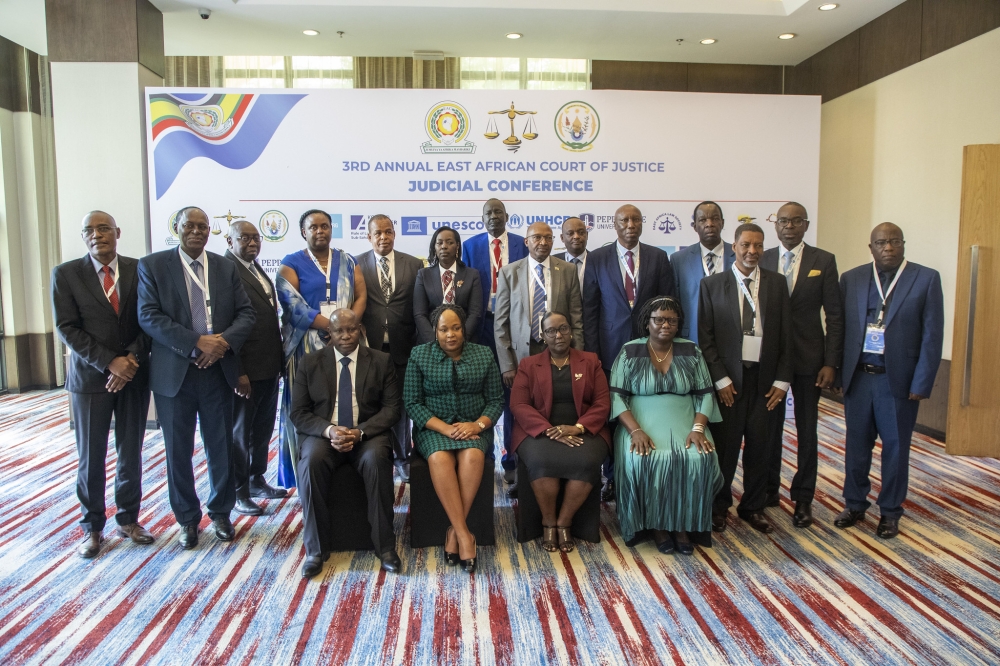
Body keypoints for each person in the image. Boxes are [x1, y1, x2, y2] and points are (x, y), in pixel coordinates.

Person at [137, 207, 255, 549]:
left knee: (220, 446)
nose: (197, 231)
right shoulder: (153, 266)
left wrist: (221, 343)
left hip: (218, 372)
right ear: (177, 228)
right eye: (190, 225)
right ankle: (187, 519)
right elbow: (148, 316)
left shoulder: (224, 266)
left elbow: (246, 313)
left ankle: (220, 512)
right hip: (175, 375)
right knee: (178, 450)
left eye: (203, 226)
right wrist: (195, 343)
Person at [52, 211, 153, 559]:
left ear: (117, 232)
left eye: (104, 228)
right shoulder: (65, 274)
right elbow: (67, 327)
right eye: (89, 230)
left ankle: (128, 519)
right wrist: (110, 362)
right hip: (91, 380)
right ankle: (92, 526)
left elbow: (149, 319)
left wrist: (131, 360)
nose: (97, 235)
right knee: (91, 457)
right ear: (84, 237)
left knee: (130, 452)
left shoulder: (141, 269)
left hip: (134, 375)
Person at [834, 223, 943, 539]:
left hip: (898, 383)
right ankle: (854, 504)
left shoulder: (926, 279)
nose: (888, 247)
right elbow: (841, 331)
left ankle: (890, 512)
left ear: (904, 244)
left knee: (896, 449)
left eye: (895, 241)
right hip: (859, 379)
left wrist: (921, 382)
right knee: (856, 448)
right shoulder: (851, 279)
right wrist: (839, 373)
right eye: (881, 242)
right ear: (871, 247)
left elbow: (932, 335)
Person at [291, 309, 402, 577]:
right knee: (311, 463)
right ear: (329, 332)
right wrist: (329, 431)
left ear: (361, 329)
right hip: (325, 436)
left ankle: (385, 547)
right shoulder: (310, 363)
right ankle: (316, 550)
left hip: (366, 436)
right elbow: (299, 413)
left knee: (377, 460)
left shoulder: (380, 361)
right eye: (339, 331)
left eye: (351, 329)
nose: (345, 336)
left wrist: (359, 432)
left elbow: (391, 410)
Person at [609, 297, 723, 554]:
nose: (665, 325)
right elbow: (616, 396)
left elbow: (705, 394)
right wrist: (635, 431)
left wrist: (697, 429)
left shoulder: (691, 350)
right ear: (646, 323)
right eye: (658, 319)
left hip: (685, 420)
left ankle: (682, 525)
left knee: (699, 458)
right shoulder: (629, 351)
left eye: (671, 320)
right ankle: (657, 525)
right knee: (642, 459)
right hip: (639, 421)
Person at [698, 222, 791, 535]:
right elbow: (706, 338)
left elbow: (787, 336)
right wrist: (720, 379)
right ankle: (719, 506)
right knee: (725, 449)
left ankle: (753, 507)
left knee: (761, 448)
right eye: (746, 245)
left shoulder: (777, 284)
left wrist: (782, 381)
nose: (753, 252)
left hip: (765, 383)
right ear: (734, 247)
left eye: (758, 246)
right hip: (730, 385)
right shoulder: (712, 285)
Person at [582, 203, 675, 500]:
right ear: (615, 224)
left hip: (651, 349)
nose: (630, 224)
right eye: (624, 220)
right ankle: (612, 476)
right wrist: (594, 355)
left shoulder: (659, 257)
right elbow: (591, 309)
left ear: (642, 224)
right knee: (612, 415)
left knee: (646, 410)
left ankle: (648, 468)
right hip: (611, 351)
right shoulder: (597, 258)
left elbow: (668, 305)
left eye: (636, 219)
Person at [760, 202, 844, 528]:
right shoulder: (763, 258)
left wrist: (831, 362)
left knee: (807, 431)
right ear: (776, 225)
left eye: (796, 221)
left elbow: (834, 317)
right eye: (784, 221)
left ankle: (803, 499)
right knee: (769, 429)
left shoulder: (823, 261)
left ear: (806, 225)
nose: (790, 226)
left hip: (811, 360)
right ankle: (768, 491)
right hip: (772, 359)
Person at [404, 304, 504, 573]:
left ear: (464, 329)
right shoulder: (419, 355)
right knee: (439, 458)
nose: (451, 334)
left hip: (474, 428)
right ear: (435, 332)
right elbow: (412, 403)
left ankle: (453, 533)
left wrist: (477, 424)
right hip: (434, 430)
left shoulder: (483, 354)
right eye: (444, 329)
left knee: (473, 456)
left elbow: (496, 400)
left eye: (456, 328)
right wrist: (445, 429)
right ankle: (463, 535)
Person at [276, 209, 367, 488]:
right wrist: (334, 328)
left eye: (325, 226)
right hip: (308, 344)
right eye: (313, 227)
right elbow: (293, 305)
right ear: (304, 232)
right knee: (309, 403)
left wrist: (345, 329)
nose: (320, 231)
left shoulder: (348, 260)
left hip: (348, 342)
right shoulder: (290, 263)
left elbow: (361, 295)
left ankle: (349, 450)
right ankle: (302, 467)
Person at [494, 221, 583, 498]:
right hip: (523, 358)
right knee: (519, 415)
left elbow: (576, 319)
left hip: (559, 354)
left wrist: (578, 359)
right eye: (536, 238)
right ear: (526, 241)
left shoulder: (567, 270)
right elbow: (501, 324)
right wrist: (507, 364)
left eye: (547, 238)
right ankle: (520, 474)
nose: (542, 242)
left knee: (555, 410)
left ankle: (555, 471)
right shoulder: (510, 272)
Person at [509, 312, 610, 553]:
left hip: (584, 430)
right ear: (543, 336)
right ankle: (547, 522)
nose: (558, 335)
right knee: (541, 460)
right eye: (551, 331)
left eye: (563, 328)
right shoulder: (528, 365)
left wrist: (578, 427)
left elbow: (602, 402)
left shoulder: (590, 361)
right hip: (540, 431)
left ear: (571, 331)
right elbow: (519, 405)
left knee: (586, 461)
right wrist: (548, 430)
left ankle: (564, 522)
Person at [224, 221, 287, 516]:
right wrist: (238, 371)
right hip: (245, 371)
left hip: (268, 367)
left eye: (255, 238)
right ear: (230, 240)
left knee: (262, 428)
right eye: (244, 238)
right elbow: (228, 327)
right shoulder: (225, 271)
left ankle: (256, 478)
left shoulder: (256, 268)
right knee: (240, 432)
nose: (252, 243)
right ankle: (238, 491)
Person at [463, 199, 527, 479]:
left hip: (514, 328)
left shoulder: (521, 244)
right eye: (488, 213)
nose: (493, 217)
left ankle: (511, 458)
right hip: (481, 327)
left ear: (507, 216)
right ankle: (483, 453)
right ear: (482, 218)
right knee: (483, 392)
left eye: (498, 212)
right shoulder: (470, 246)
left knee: (514, 392)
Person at [357, 214, 423, 482]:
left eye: (388, 232)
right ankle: (377, 456)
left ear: (395, 234)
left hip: (403, 347)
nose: (383, 237)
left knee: (404, 407)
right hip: (368, 349)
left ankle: (403, 457)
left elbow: (418, 307)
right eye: (377, 233)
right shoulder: (356, 264)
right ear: (369, 236)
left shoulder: (414, 264)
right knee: (371, 405)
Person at [671, 202, 735, 343]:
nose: (709, 224)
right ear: (694, 226)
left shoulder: (738, 255)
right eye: (703, 220)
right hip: (692, 338)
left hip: (731, 337)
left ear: (722, 223)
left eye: (715, 218)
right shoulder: (679, 259)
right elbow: (675, 303)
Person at [414, 226, 483, 344]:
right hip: (431, 343)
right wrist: (434, 340)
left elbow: (475, 313)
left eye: (449, 242)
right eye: (439, 243)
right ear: (434, 248)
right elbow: (419, 314)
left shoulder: (472, 275)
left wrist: (461, 338)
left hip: (464, 342)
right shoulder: (423, 275)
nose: (444, 246)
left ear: (457, 246)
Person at [553, 216, 589, 287]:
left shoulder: (597, 262)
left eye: (581, 233)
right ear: (562, 238)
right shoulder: (553, 262)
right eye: (570, 233)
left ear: (587, 235)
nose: (576, 236)